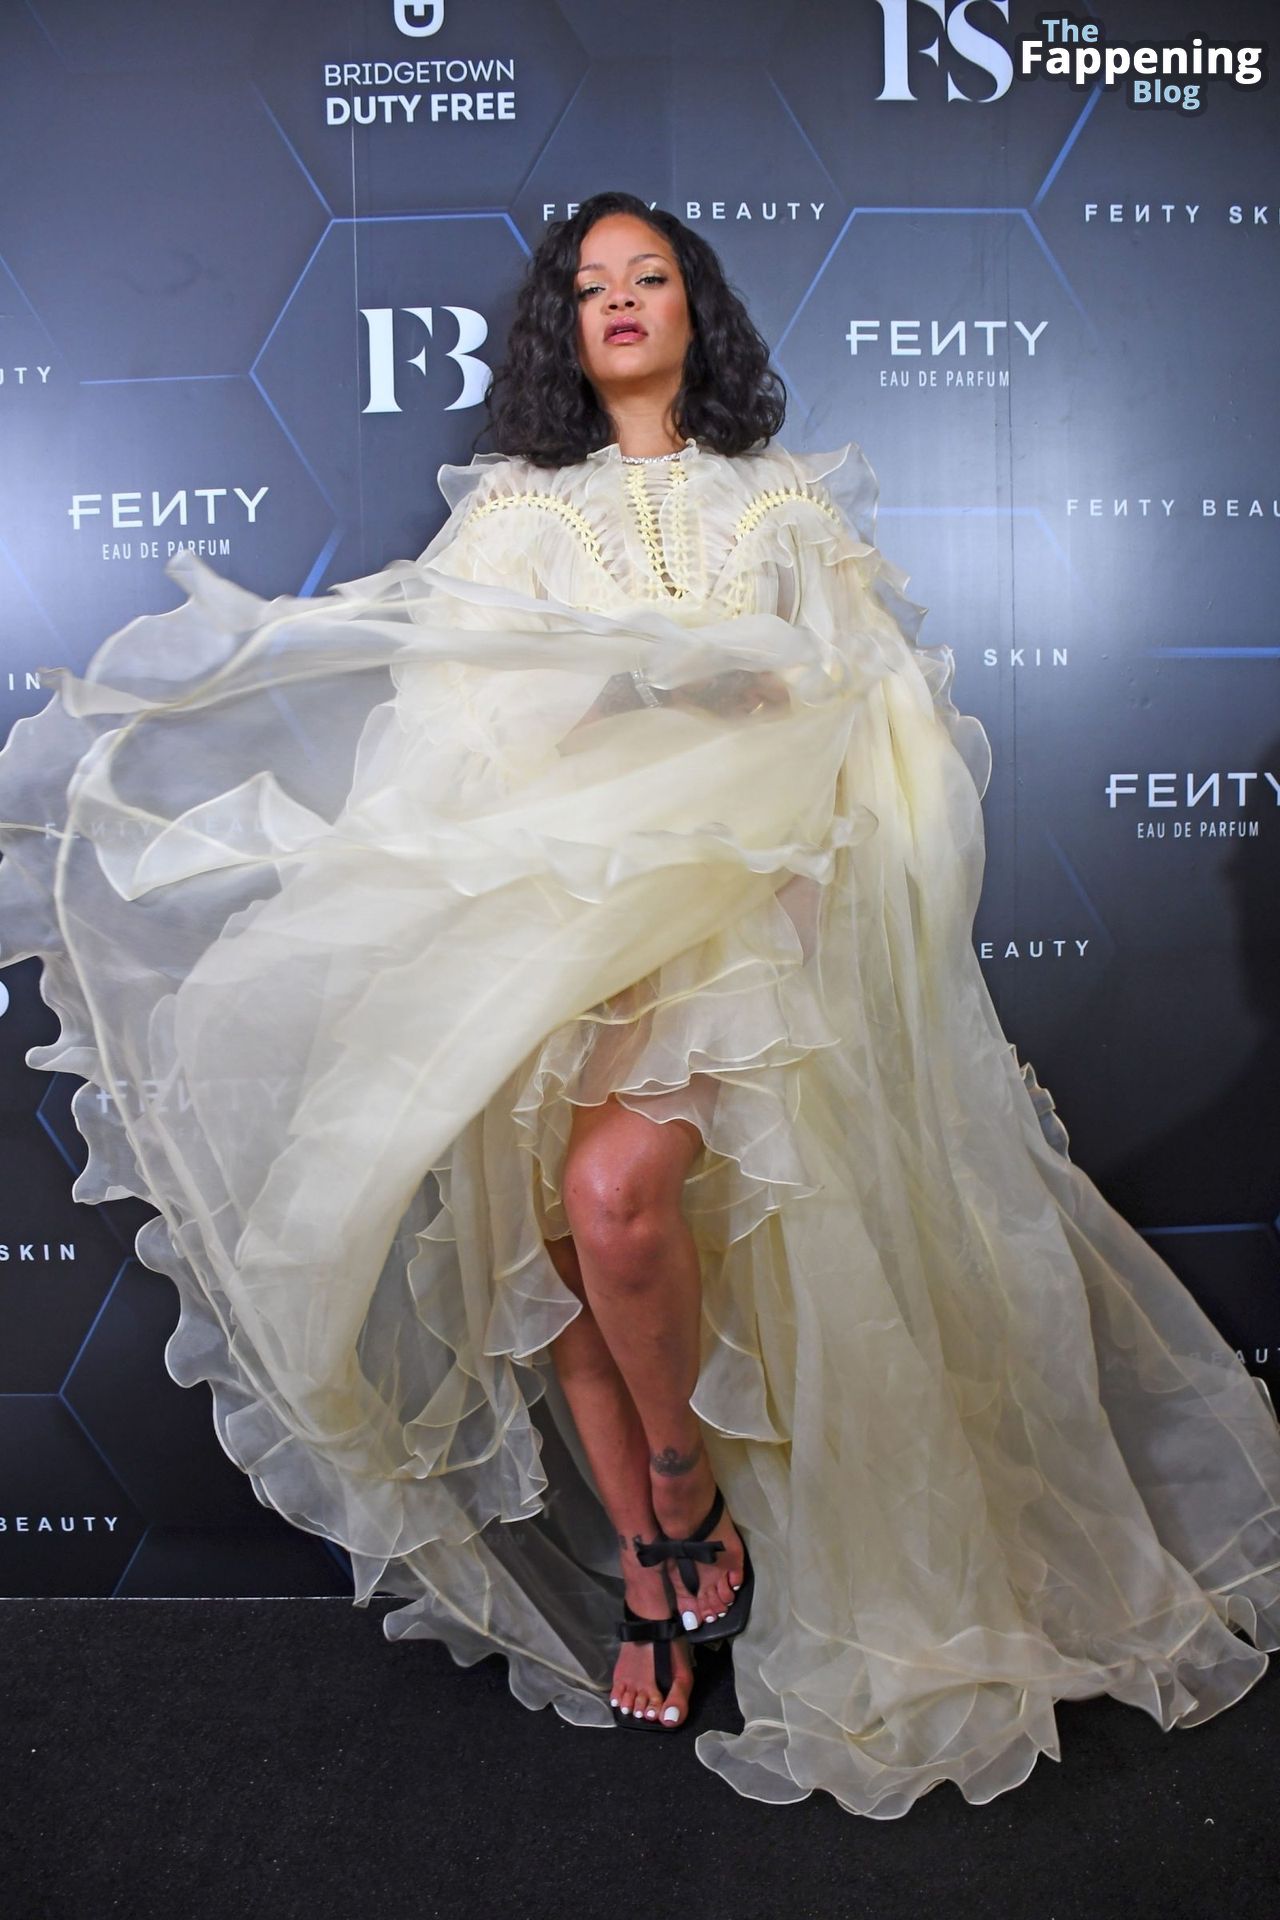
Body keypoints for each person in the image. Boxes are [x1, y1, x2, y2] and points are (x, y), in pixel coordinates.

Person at [0, 189, 1277, 1819]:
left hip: (741, 925)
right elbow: (456, 732)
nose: (619, 300)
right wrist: (632, 693)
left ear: (695, 308)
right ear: (564, 326)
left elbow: (875, 734)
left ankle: (686, 1501)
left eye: (650, 275)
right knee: (548, 1248)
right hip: (548, 925)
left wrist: (762, 758)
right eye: (591, 283)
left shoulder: (784, 506)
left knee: (617, 1196)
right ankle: (659, 1575)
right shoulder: (515, 514)